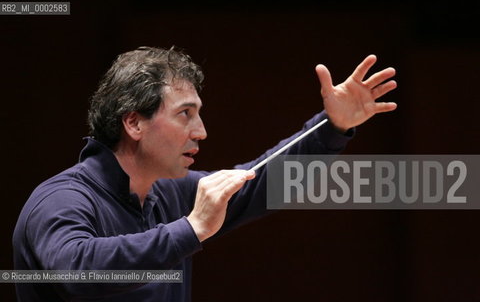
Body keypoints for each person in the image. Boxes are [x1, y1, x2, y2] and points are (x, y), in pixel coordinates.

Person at [13, 46, 397, 301]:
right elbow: (75, 270)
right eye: (185, 114)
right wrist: (191, 228)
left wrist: (331, 127)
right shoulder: (62, 199)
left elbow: (260, 181)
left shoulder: (170, 191)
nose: (201, 131)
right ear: (134, 122)